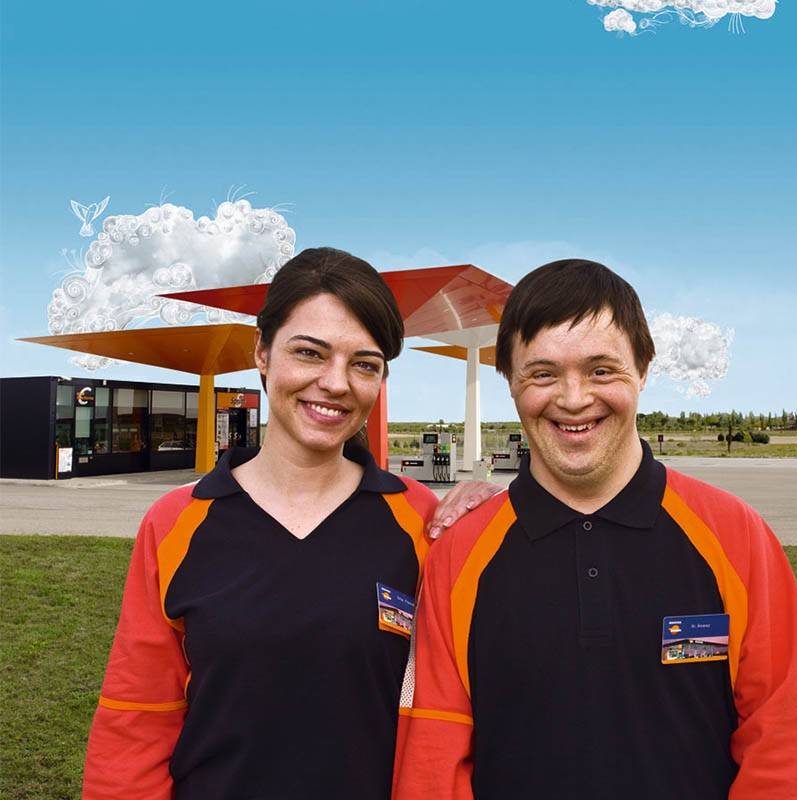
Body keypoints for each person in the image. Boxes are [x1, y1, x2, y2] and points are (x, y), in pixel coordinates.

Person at [393, 259, 797, 799]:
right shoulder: (459, 554)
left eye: (602, 370)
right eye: (543, 373)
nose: (574, 399)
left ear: (643, 370)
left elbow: (784, 737)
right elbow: (435, 754)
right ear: (509, 380)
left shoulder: (736, 535)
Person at [83, 247, 498, 800]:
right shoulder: (177, 522)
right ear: (262, 352)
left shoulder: (423, 521)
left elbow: (458, 713)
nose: (335, 383)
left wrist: (496, 515)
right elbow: (136, 719)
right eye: (309, 353)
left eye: (364, 364)